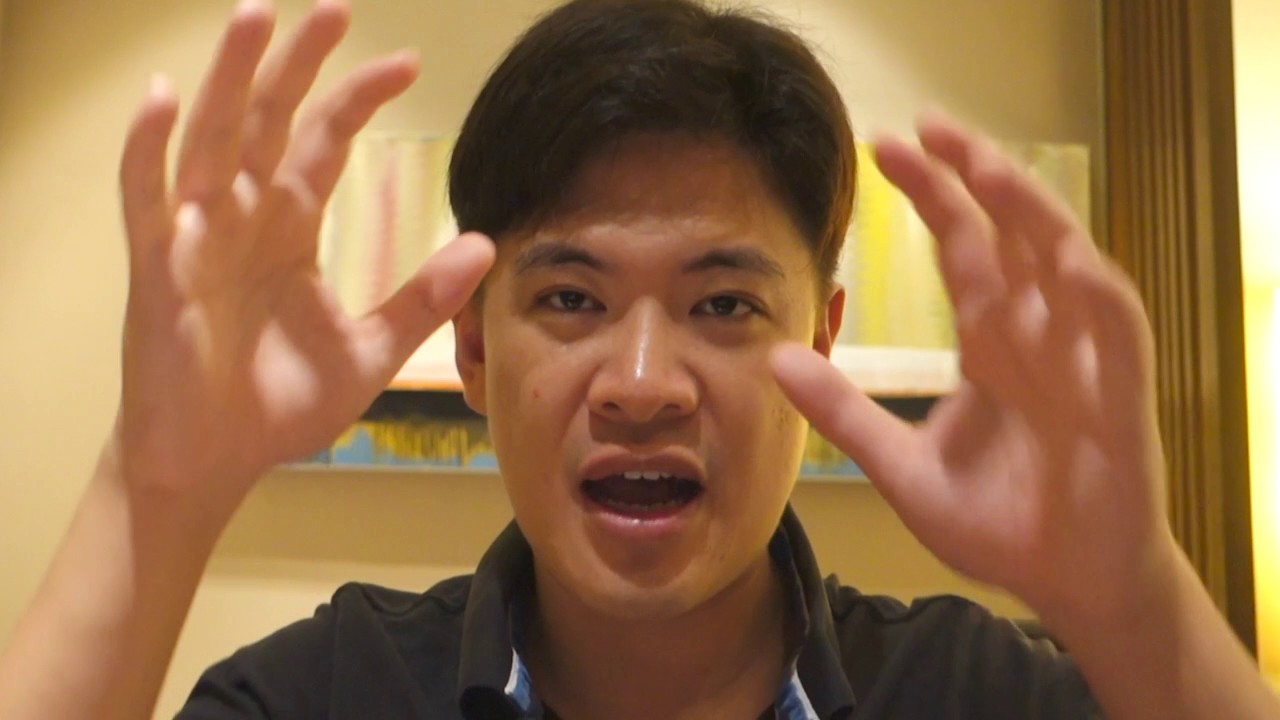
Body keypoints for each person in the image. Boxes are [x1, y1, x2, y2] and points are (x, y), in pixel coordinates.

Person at [0, 0, 1276, 717]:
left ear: (818, 344)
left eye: (723, 305)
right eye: (570, 298)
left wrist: (1132, 603)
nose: (643, 383)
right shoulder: (325, 699)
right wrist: (152, 494)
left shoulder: (974, 696)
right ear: (473, 348)